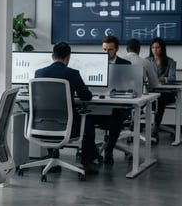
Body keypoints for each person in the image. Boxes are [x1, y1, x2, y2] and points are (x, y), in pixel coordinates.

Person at [35, 42, 100, 175]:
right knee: (89, 120)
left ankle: (53, 158)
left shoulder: (39, 73)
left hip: (42, 125)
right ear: (68, 57)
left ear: (52, 56)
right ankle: (87, 163)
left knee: (52, 118)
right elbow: (86, 96)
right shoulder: (72, 73)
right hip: (68, 127)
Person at [98, 35, 130, 164]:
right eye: (104, 49)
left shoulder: (125, 64)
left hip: (118, 104)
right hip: (99, 102)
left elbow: (130, 86)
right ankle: (90, 155)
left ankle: (109, 149)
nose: (106, 53)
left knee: (116, 119)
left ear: (116, 49)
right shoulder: (96, 63)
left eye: (109, 50)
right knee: (86, 118)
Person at [123, 38, 163, 141]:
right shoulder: (145, 62)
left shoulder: (119, 60)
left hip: (119, 100)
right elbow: (155, 84)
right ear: (139, 49)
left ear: (127, 49)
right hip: (138, 99)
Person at [146, 37, 177, 140]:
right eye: (153, 47)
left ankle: (156, 128)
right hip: (151, 91)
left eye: (157, 47)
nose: (155, 50)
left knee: (160, 100)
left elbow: (173, 77)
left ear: (162, 49)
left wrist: (163, 79)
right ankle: (134, 125)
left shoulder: (170, 61)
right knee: (144, 98)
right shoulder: (147, 61)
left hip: (167, 93)